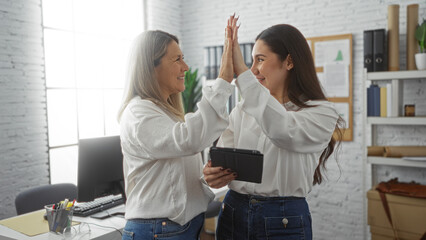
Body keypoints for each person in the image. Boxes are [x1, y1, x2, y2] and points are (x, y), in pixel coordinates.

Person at [203, 16, 344, 240]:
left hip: (282, 220)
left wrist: (242, 73)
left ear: (289, 61)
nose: (253, 69)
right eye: (250, 61)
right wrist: (213, 174)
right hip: (233, 212)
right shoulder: (242, 109)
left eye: (260, 59)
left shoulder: (321, 112)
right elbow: (224, 157)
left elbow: (282, 131)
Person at [117, 29, 237, 240]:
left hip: (177, 228)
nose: (186, 67)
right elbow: (189, 139)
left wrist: (205, 175)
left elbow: (172, 174)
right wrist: (224, 79)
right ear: (151, 67)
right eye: (177, 59)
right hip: (158, 231)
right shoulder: (138, 112)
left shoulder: (165, 113)